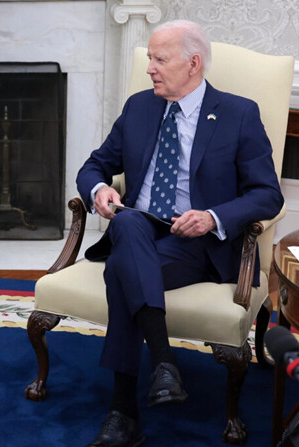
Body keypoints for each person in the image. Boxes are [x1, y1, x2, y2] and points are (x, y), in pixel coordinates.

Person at [76, 20, 284, 446]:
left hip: (196, 245)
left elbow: (268, 194)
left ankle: (122, 413)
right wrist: (98, 190)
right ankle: (164, 362)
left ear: (192, 63)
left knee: (122, 270)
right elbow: (94, 165)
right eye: (149, 58)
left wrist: (211, 216)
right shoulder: (139, 107)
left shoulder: (238, 113)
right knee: (131, 221)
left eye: (159, 59)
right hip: (140, 226)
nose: (149, 67)